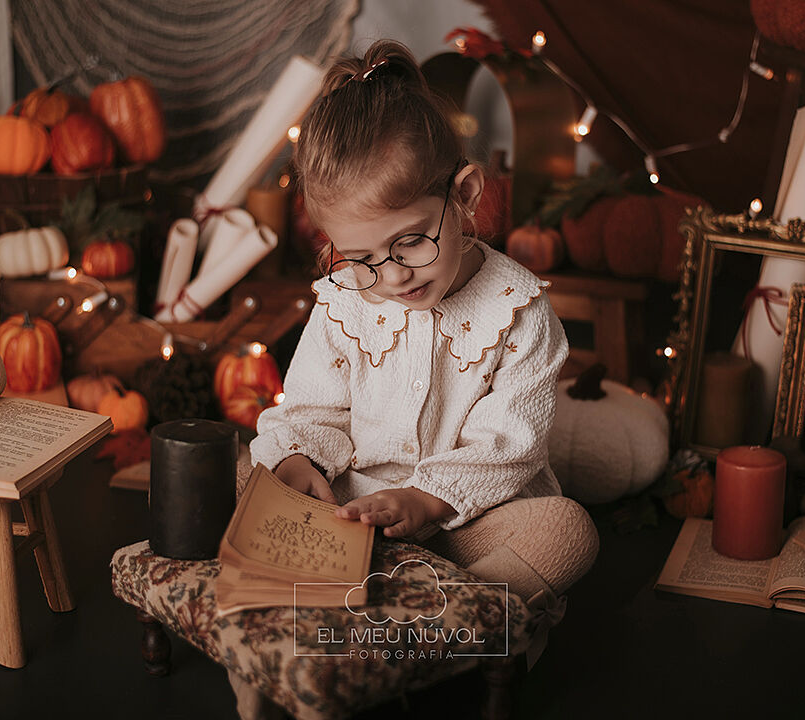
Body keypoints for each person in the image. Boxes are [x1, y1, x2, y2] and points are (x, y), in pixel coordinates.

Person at [248, 40, 598, 628]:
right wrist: (299, 461)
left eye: (410, 241)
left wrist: (422, 501)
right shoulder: (343, 301)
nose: (392, 275)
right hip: (354, 510)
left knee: (568, 533)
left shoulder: (520, 313)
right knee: (236, 473)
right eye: (360, 256)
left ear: (463, 195)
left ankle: (420, 618)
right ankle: (427, 607)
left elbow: (509, 447)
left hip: (470, 520)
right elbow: (312, 406)